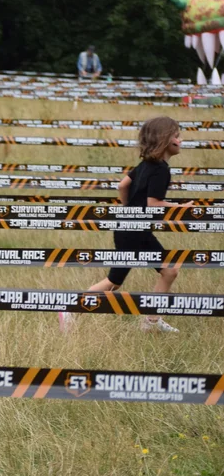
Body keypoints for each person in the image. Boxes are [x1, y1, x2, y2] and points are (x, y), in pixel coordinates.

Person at [59, 117, 193, 334]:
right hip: (135, 232)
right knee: (169, 271)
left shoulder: (146, 164)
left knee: (116, 280)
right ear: (166, 140)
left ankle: (75, 308)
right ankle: (149, 322)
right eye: (177, 136)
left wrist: (127, 210)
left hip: (127, 228)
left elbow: (122, 185)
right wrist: (181, 208)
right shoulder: (161, 169)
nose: (181, 140)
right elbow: (154, 204)